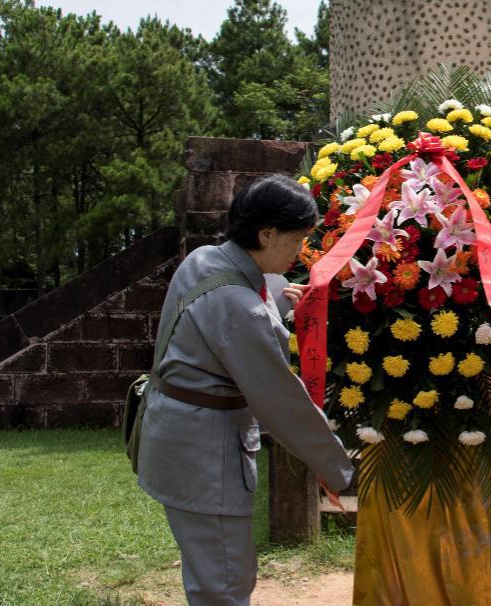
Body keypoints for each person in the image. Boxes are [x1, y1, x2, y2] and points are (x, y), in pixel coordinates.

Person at [137, 174, 354, 606]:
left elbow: (238, 294)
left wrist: (282, 300)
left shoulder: (202, 259)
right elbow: (281, 403)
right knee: (224, 581)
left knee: (211, 570)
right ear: (267, 233)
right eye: (296, 240)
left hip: (172, 433)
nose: (301, 251)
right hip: (206, 453)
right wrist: (339, 470)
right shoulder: (244, 313)